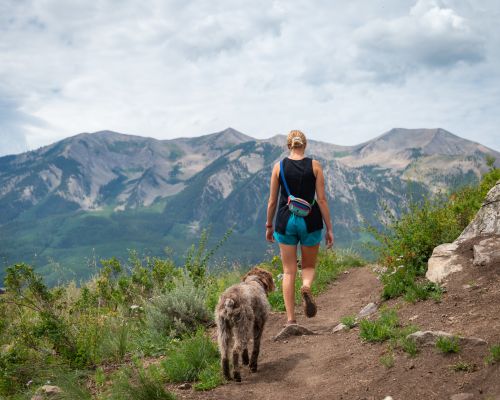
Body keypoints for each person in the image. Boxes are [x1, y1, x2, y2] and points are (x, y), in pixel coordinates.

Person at [265, 130, 334, 326]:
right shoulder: (315, 165)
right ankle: (306, 286)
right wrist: (329, 228)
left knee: (288, 271)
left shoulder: (278, 167)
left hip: (285, 221)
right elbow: (321, 199)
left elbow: (271, 201)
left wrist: (269, 225)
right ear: (305, 145)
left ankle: (291, 320)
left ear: (289, 146)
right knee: (309, 266)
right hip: (310, 220)